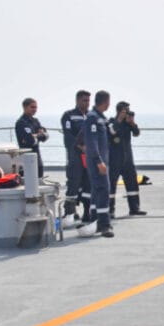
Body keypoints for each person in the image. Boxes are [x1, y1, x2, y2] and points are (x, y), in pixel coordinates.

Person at [84, 90, 114, 238]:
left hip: (102, 160)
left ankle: (94, 220)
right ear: (105, 101)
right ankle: (104, 225)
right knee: (103, 190)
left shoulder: (101, 118)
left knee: (97, 191)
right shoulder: (92, 118)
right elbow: (92, 141)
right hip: (98, 162)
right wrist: (98, 161)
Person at [108, 101, 146, 218]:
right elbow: (112, 132)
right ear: (119, 111)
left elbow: (136, 133)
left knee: (132, 184)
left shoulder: (127, 124)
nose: (127, 113)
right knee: (111, 186)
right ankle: (110, 211)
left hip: (127, 160)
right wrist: (119, 120)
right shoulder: (111, 122)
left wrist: (132, 123)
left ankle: (134, 208)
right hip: (114, 160)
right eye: (125, 111)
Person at [60, 90, 91, 221]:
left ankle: (87, 213)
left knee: (88, 184)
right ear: (77, 100)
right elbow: (68, 136)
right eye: (85, 100)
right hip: (75, 156)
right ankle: (70, 212)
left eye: (89, 100)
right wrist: (81, 147)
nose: (87, 103)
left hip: (89, 156)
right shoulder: (68, 116)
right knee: (73, 183)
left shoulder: (91, 116)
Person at [14, 97, 49, 177]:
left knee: (39, 178)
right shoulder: (21, 123)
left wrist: (36, 136)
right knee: (30, 181)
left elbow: (45, 136)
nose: (34, 109)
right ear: (25, 107)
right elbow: (30, 140)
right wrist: (38, 135)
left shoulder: (35, 121)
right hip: (26, 157)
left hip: (37, 157)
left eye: (35, 107)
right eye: (32, 107)